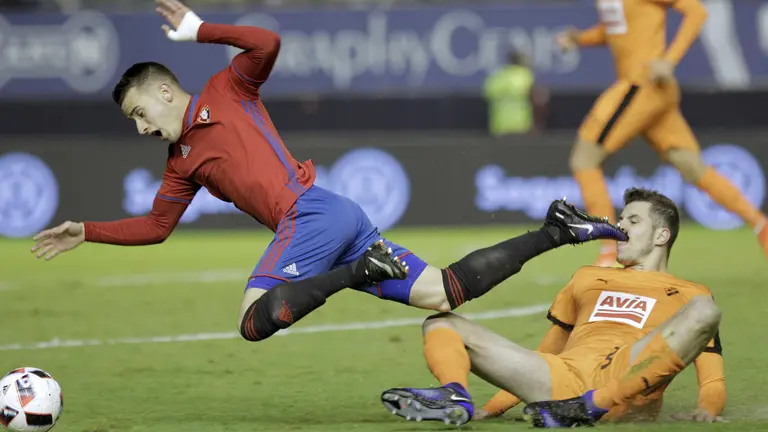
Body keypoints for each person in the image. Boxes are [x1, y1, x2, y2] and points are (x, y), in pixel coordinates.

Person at [29, 0, 629, 342]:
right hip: (336, 215)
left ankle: (355, 272)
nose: (140, 127)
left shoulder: (226, 88)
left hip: (312, 214)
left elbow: (265, 43)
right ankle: (556, 231)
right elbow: (158, 226)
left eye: (141, 112)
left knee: (250, 322)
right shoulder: (180, 161)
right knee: (443, 294)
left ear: (164, 90)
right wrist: (88, 229)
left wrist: (200, 30)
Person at [380, 188, 725, 427]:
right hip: (563, 382)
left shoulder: (691, 292)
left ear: (661, 236)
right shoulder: (588, 276)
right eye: (622, 219)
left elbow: (712, 378)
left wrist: (707, 409)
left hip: (623, 384)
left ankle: (592, 406)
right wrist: (493, 409)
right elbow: (549, 350)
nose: (620, 226)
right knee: (441, 323)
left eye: (633, 221)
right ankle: (456, 396)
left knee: (705, 311)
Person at [557, 0, 768, 267]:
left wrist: (669, 60)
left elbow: (696, 10)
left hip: (641, 84)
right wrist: (580, 38)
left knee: (584, 159)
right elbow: (616, 30)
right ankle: (760, 224)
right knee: (691, 166)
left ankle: (609, 252)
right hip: (653, 90)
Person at [483, 50, 548, 136]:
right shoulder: (525, 76)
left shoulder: (495, 78)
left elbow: (486, 97)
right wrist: (537, 126)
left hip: (498, 128)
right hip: (521, 127)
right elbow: (538, 101)